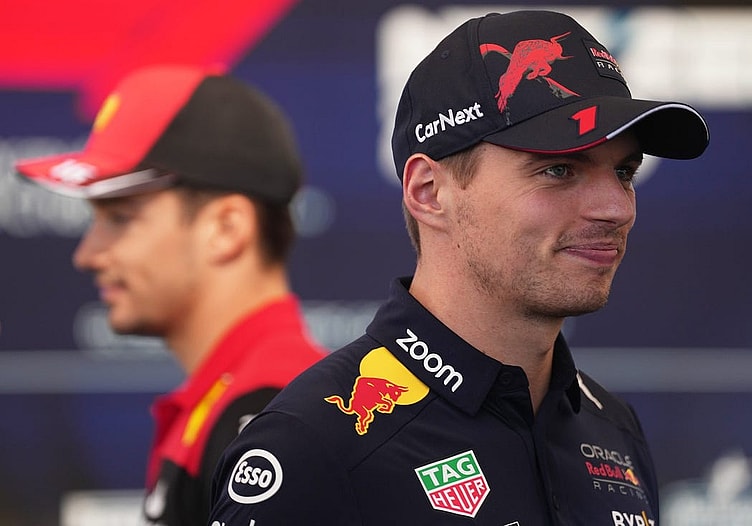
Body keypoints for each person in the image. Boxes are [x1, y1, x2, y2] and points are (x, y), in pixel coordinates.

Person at [209, 10, 709, 525]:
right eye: (559, 169)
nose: (617, 208)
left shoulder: (613, 429)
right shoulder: (313, 447)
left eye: (625, 172)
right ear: (429, 192)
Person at [15, 64, 326, 526]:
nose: (87, 254)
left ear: (226, 228)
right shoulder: (235, 403)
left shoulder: (272, 418)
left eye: (119, 218)